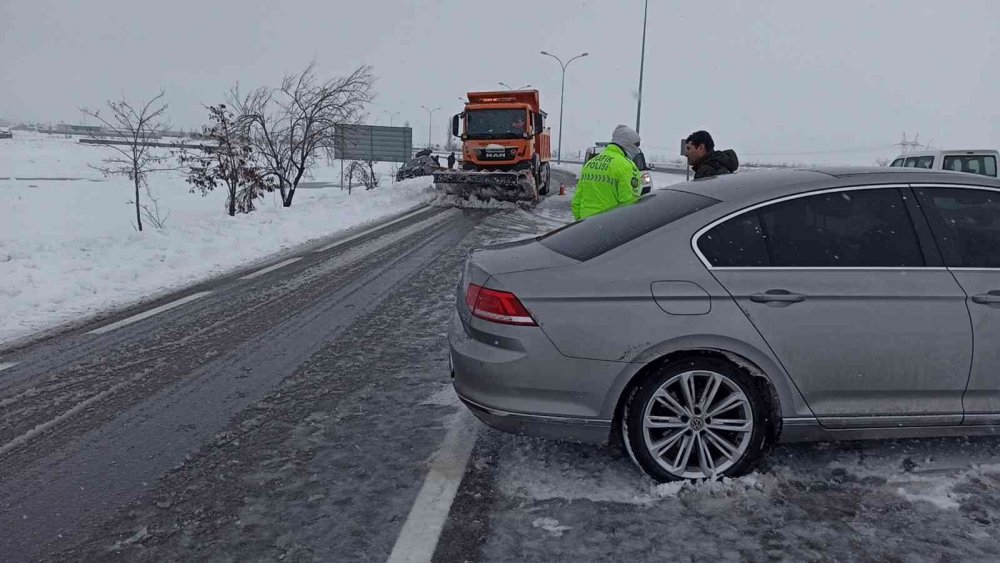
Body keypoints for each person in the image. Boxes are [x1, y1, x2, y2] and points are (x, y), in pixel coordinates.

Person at [572, 125, 643, 221]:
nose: (637, 149)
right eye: (636, 145)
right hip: (609, 225)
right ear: (628, 145)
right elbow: (629, 203)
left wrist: (580, 221)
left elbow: (577, 201)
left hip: (586, 225)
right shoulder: (627, 166)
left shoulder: (590, 164)